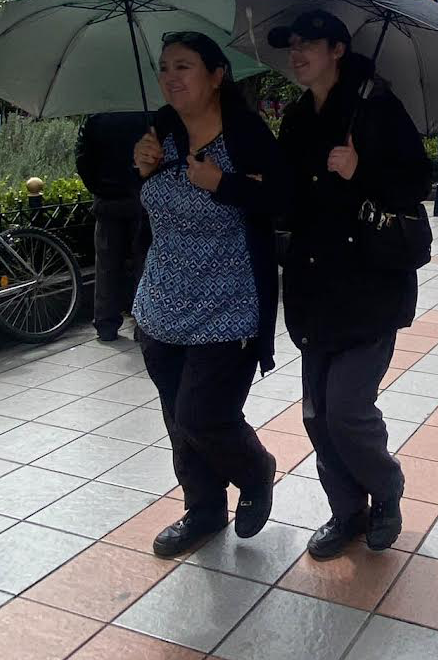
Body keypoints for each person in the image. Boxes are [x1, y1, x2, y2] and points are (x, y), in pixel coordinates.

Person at [272, 10, 430, 560]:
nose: (296, 54)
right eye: (291, 45)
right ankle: (347, 511)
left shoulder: (376, 106)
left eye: (308, 43)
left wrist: (361, 169)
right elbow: (285, 195)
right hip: (314, 289)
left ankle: (385, 492)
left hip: (369, 289)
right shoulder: (296, 117)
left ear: (337, 49)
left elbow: (417, 181)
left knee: (346, 410)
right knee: (316, 415)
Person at [131, 31, 281, 557]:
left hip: (228, 305)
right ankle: (203, 508)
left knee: (203, 416)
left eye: (185, 66)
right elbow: (135, 200)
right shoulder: (160, 133)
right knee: (177, 418)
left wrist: (223, 183)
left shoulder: (246, 137)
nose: (171, 77)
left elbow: (281, 203)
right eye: (165, 66)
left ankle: (256, 470)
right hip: (160, 304)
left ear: (217, 75)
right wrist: (140, 169)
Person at [76, 112, 150, 341]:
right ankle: (143, 324)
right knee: (144, 264)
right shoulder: (147, 116)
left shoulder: (96, 118)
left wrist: (98, 187)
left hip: (107, 199)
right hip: (141, 198)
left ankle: (106, 324)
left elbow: (82, 158)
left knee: (107, 266)